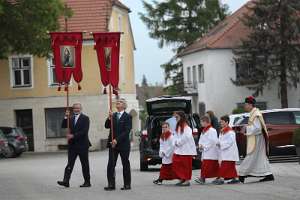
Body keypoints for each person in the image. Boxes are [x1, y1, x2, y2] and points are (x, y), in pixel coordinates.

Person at [239, 96, 274, 183]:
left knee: (251, 156)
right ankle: (268, 175)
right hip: (256, 138)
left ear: (250, 105)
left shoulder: (256, 114)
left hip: (257, 139)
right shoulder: (253, 112)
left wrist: (246, 128)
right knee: (260, 157)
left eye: (246, 104)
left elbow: (257, 128)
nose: (245, 106)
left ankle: (241, 175)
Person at [57, 103, 91, 188]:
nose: (76, 109)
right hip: (72, 145)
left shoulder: (85, 118)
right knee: (70, 164)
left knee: (85, 164)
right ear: (73, 109)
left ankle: (87, 182)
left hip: (83, 145)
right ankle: (66, 181)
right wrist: (66, 116)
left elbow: (84, 131)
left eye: (78, 108)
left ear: (81, 109)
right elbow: (63, 126)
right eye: (75, 108)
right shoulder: (70, 118)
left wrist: (73, 135)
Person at [104, 98, 132, 191]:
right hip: (112, 144)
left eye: (119, 102)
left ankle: (127, 184)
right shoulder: (113, 115)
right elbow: (107, 126)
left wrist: (117, 140)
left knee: (125, 164)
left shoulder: (127, 116)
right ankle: (111, 184)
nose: (117, 103)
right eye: (117, 102)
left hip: (123, 144)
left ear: (124, 105)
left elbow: (126, 131)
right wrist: (109, 117)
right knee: (111, 164)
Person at [172, 111, 197, 186]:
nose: (176, 119)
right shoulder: (178, 127)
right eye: (175, 117)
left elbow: (186, 137)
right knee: (176, 164)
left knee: (186, 166)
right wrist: (175, 142)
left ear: (181, 117)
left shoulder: (187, 127)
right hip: (178, 149)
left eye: (177, 117)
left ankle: (186, 180)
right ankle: (181, 178)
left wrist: (178, 142)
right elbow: (174, 136)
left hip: (186, 150)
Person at [215, 115, 239, 185]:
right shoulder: (222, 131)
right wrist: (218, 143)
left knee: (224, 166)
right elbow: (220, 140)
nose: (221, 123)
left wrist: (221, 144)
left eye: (222, 122)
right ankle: (235, 178)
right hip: (225, 152)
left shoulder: (230, 132)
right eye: (220, 122)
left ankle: (221, 179)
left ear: (227, 122)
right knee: (231, 167)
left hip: (230, 152)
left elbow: (230, 142)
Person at [195, 115, 219, 185]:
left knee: (208, 166)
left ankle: (203, 178)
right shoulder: (204, 130)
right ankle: (204, 178)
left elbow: (213, 141)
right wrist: (200, 145)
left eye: (201, 122)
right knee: (206, 166)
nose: (201, 124)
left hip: (211, 151)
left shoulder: (212, 130)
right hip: (206, 151)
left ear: (206, 122)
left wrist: (204, 146)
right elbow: (201, 139)